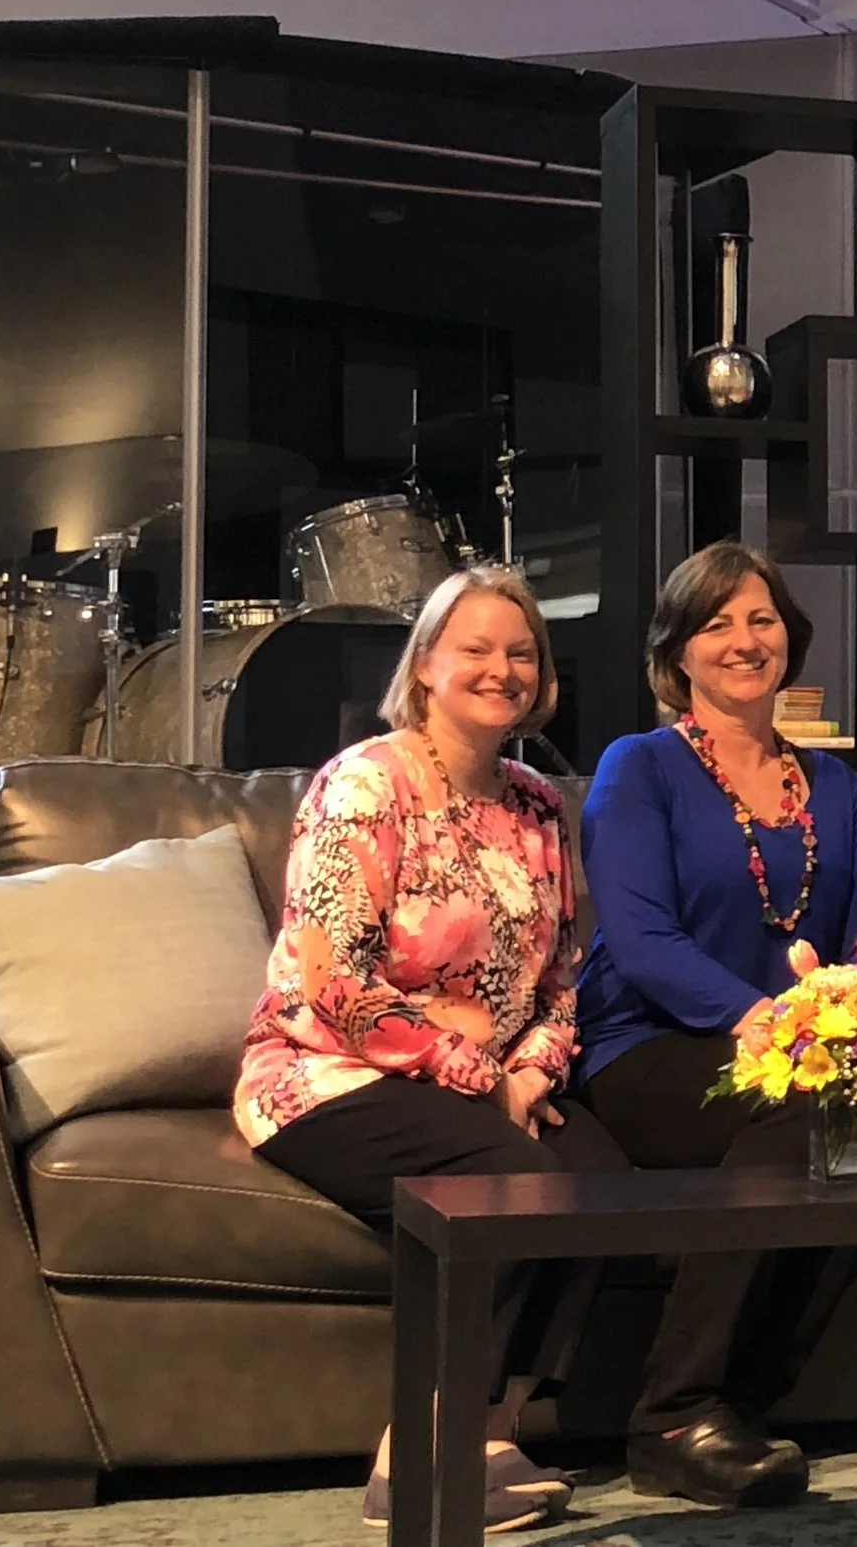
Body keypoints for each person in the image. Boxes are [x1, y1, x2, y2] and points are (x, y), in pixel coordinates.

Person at [236, 565, 625, 1535]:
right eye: (476, 648)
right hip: (329, 1072)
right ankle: (411, 1460)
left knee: (604, 1177)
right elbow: (330, 980)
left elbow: (563, 974)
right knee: (515, 1180)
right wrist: (482, 1080)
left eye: (522, 652)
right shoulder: (366, 783)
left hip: (487, 1083)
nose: (503, 669)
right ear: (424, 667)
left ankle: (489, 1436)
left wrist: (532, 1068)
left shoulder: (538, 805)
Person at [575, 541, 857, 1510]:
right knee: (801, 1115)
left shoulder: (832, 786)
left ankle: (744, 1401)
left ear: (789, 638)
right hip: (647, 1046)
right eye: (716, 623)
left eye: (761, 619)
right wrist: (763, 1018)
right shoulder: (639, 767)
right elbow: (642, 942)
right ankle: (672, 1414)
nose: (743, 641)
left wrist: (854, 1017)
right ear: (678, 653)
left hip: (792, 1052)